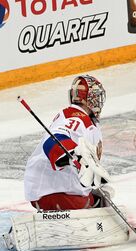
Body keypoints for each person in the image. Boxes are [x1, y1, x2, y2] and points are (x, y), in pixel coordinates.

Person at [23, 74, 113, 211]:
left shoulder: (76, 116)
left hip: (53, 188)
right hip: (52, 192)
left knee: (99, 195)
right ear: (90, 99)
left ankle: (92, 201)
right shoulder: (77, 119)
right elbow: (52, 141)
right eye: (96, 96)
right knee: (88, 202)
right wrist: (72, 154)